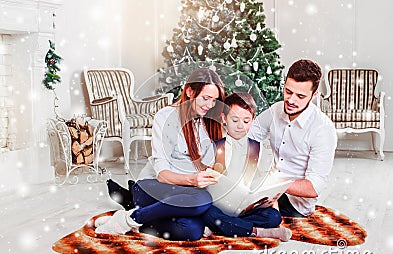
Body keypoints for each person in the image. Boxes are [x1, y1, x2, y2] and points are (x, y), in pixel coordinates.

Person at [94, 67, 225, 241]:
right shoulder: (165, 117)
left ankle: (135, 213)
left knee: (191, 231)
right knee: (201, 198)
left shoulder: (207, 122)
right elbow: (163, 175)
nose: (210, 105)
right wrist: (193, 180)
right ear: (190, 91)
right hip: (153, 186)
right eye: (206, 98)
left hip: (184, 194)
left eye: (214, 100)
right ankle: (129, 219)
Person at [248, 59, 337, 217]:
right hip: (269, 189)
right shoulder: (276, 110)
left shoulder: (323, 129)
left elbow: (313, 188)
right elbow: (250, 136)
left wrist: (273, 182)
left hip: (295, 203)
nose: (291, 100)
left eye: (300, 96)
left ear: (314, 95)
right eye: (288, 92)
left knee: (238, 209)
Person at [202, 92, 292, 241]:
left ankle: (224, 227)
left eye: (246, 121)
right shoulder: (213, 148)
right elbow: (205, 183)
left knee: (273, 217)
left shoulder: (260, 149)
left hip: (247, 209)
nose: (240, 126)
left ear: (253, 121)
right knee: (206, 212)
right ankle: (260, 232)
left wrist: (268, 201)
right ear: (224, 119)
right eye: (235, 120)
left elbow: (264, 181)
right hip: (220, 207)